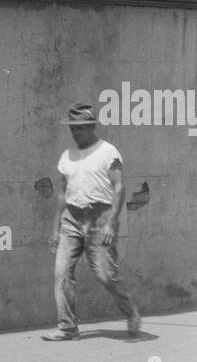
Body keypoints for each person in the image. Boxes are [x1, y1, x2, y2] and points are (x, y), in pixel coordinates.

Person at [43, 102, 141, 341]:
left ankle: (131, 312)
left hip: (100, 219)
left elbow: (119, 188)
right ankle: (67, 328)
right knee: (62, 273)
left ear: (91, 127)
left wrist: (111, 223)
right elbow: (62, 195)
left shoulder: (108, 152)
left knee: (105, 275)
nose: (74, 133)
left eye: (79, 128)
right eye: (71, 129)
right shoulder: (66, 156)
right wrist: (56, 229)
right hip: (71, 220)